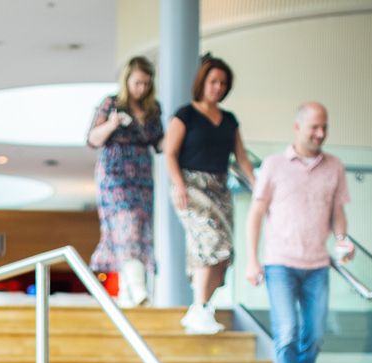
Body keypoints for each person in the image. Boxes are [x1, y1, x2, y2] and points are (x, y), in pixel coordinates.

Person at [243, 102, 354, 363]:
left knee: (315, 336)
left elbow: (337, 212)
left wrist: (342, 239)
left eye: (324, 127)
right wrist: (252, 260)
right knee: (287, 332)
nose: (320, 134)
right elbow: (256, 214)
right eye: (314, 127)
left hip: (317, 265)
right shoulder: (274, 165)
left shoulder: (334, 166)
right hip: (280, 263)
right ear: (297, 127)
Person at [164, 55, 254, 334]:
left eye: (223, 83)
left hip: (220, 189)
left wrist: (257, 185)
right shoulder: (186, 115)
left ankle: (200, 308)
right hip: (191, 188)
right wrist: (179, 184)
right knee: (210, 243)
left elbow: (242, 158)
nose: (218, 87)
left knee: (224, 253)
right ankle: (200, 307)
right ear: (202, 82)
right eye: (213, 81)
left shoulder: (229, 120)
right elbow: (170, 153)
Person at [87, 57, 164, 308]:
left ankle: (126, 292)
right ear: (127, 80)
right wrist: (112, 124)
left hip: (141, 176)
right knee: (124, 225)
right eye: (137, 82)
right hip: (115, 175)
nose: (141, 88)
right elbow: (92, 139)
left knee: (138, 229)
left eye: (146, 83)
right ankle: (138, 288)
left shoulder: (153, 109)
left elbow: (160, 143)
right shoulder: (111, 104)